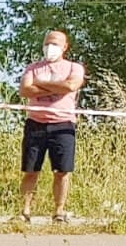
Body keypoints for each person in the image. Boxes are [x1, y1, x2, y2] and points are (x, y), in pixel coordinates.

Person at [18, 29, 86, 223]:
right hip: (36, 123)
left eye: (55, 44)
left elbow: (70, 86)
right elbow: (25, 89)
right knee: (31, 170)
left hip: (63, 124)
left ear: (65, 47)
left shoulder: (74, 68)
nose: (50, 47)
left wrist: (40, 84)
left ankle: (59, 212)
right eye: (47, 43)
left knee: (62, 171)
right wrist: (57, 85)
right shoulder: (33, 67)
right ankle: (24, 211)